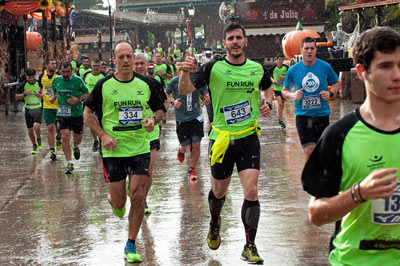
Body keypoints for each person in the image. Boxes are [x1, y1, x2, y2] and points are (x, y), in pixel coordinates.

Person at [302, 26, 400, 266]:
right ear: (362, 72)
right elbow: (316, 214)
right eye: (386, 66)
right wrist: (359, 194)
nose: (397, 75)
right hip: (355, 260)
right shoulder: (339, 135)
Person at [178, 23, 273, 264]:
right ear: (224, 43)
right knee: (219, 191)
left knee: (251, 190)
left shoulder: (256, 68)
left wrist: (268, 104)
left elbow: (268, 86)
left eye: (239, 38)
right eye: (230, 38)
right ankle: (214, 221)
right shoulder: (213, 68)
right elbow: (185, 88)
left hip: (249, 137)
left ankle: (250, 246)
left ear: (245, 41)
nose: (235, 42)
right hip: (221, 140)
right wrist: (185, 72)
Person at [83, 40, 166, 263]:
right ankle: (114, 201)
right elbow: (87, 114)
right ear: (115, 60)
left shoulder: (147, 84)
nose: (127, 61)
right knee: (120, 203)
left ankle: (131, 243)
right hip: (113, 152)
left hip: (140, 148)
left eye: (129, 56)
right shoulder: (103, 86)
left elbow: (160, 109)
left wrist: (153, 119)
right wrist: (103, 135)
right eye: (122, 57)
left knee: (138, 196)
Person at [282, 37, 341, 162]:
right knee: (309, 150)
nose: (309, 51)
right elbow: (284, 91)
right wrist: (294, 95)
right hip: (303, 116)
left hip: (322, 114)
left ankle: (322, 178)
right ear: (301, 50)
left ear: (316, 50)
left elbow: (337, 83)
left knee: (322, 150)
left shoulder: (325, 67)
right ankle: (310, 180)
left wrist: (330, 93)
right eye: (306, 48)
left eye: (312, 48)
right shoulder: (293, 70)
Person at [133, 52, 167, 214]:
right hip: (130, 133)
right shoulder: (123, 83)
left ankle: (143, 199)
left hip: (150, 132)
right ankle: (133, 189)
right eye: (136, 63)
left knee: (148, 169)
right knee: (133, 171)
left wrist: (154, 118)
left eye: (142, 63)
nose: (139, 66)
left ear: (147, 65)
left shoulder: (154, 84)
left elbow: (162, 108)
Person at [166, 60, 208, 181]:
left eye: (194, 69)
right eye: (190, 69)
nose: (192, 72)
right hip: (182, 119)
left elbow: (205, 94)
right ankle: (180, 150)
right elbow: (166, 93)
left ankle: (191, 170)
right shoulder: (175, 80)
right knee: (186, 147)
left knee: (196, 144)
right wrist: (173, 102)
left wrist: (206, 98)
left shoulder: (200, 81)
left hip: (196, 117)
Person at [50, 61, 89, 174]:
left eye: (68, 72)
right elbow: (54, 89)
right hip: (62, 113)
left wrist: (78, 100)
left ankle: (76, 146)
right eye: (63, 72)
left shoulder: (78, 80)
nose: (66, 74)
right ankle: (69, 163)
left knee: (78, 138)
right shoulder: (56, 80)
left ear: (71, 70)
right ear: (60, 71)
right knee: (65, 136)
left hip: (76, 113)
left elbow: (87, 93)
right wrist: (53, 97)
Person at [38, 58, 62, 160]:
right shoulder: (41, 76)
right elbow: (40, 88)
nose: (54, 65)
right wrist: (40, 93)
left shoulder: (59, 75)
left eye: (55, 63)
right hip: (47, 106)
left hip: (59, 106)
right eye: (52, 64)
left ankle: (58, 138)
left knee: (59, 128)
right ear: (47, 66)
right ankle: (52, 150)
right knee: (50, 127)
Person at [15, 68, 43, 155]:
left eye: (32, 77)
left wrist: (39, 95)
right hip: (28, 108)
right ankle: (34, 145)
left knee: (36, 126)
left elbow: (44, 95)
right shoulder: (23, 84)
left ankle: (39, 139)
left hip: (38, 107)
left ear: (35, 76)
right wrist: (24, 94)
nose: (30, 79)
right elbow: (16, 96)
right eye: (29, 77)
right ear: (26, 76)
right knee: (30, 130)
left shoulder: (39, 83)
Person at [83, 58, 105, 152]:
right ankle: (95, 140)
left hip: (101, 102)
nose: (96, 68)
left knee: (100, 122)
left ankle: (101, 141)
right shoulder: (86, 75)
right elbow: (83, 87)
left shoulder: (103, 75)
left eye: (98, 66)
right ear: (91, 66)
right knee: (91, 122)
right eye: (94, 66)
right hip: (89, 102)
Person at [270, 54, 289, 128]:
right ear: (277, 60)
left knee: (282, 104)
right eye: (279, 59)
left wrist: (282, 77)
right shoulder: (274, 68)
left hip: (284, 88)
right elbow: (268, 75)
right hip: (276, 88)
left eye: (281, 59)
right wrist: (273, 80)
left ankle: (280, 117)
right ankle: (281, 120)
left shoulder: (286, 67)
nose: (280, 61)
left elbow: (289, 76)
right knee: (280, 103)